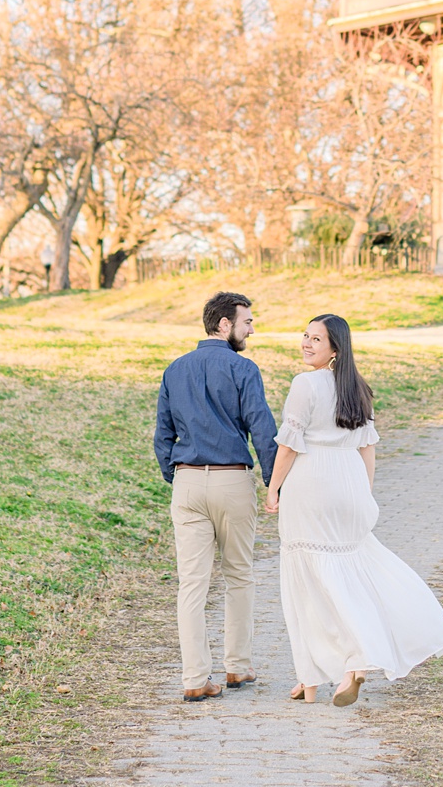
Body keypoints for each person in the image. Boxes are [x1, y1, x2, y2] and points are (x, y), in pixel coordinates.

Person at [264, 313, 443, 705]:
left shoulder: (305, 384)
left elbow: (289, 445)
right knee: (347, 568)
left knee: (308, 581)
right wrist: (364, 493)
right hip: (348, 479)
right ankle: (316, 675)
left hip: (312, 481)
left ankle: (341, 664)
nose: (306, 343)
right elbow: (367, 448)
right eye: (305, 336)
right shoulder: (358, 388)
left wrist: (273, 488)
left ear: (335, 349)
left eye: (316, 340)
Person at [153, 289, 282, 702]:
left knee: (191, 585)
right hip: (231, 480)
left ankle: (194, 678)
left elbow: (163, 435)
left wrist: (178, 477)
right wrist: (274, 483)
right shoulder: (244, 369)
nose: (251, 329)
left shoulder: (175, 370)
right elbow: (262, 429)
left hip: (188, 481)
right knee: (239, 575)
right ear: (224, 324)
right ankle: (237, 667)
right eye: (246, 322)